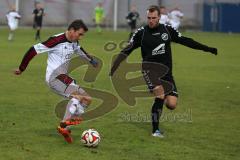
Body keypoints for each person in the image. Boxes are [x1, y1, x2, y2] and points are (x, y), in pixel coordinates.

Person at [110, 5, 217, 138]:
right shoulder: (141, 33)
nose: (151, 20)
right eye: (149, 18)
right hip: (149, 70)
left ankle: (161, 100)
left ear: (159, 17)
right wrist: (115, 66)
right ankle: (155, 131)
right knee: (159, 94)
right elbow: (127, 50)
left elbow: (186, 41)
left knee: (172, 104)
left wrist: (207, 49)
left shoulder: (167, 30)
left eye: (154, 18)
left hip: (166, 72)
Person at [14, 19, 98, 143]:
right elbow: (33, 50)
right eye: (80, 34)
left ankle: (66, 126)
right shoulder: (56, 40)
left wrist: (90, 60)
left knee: (88, 99)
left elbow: (79, 49)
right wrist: (22, 68)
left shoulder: (74, 42)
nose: (81, 37)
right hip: (54, 77)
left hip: (64, 77)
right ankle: (63, 125)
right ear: (72, 30)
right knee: (77, 97)